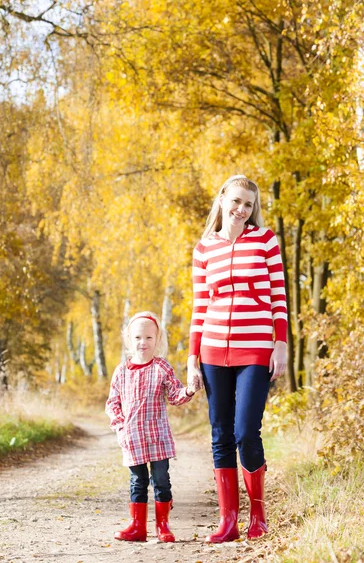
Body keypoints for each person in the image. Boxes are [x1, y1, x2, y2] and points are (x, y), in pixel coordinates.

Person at [187, 175, 288, 542]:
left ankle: (257, 516)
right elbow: (199, 307)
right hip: (213, 349)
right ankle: (228, 521)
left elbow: (279, 295)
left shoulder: (265, 241)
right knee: (220, 434)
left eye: (248, 204)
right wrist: (191, 358)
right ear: (223, 199)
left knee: (246, 431)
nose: (242, 210)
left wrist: (282, 344)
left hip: (256, 347)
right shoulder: (204, 248)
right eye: (236, 202)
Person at [106, 310, 196, 543]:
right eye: (137, 338)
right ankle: (137, 526)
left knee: (161, 479)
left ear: (158, 340)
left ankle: (162, 525)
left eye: (148, 338)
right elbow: (112, 403)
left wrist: (188, 390)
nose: (143, 343)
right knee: (138, 481)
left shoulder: (161, 367)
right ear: (129, 340)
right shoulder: (121, 372)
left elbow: (174, 395)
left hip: (158, 437)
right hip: (132, 437)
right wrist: (120, 426)